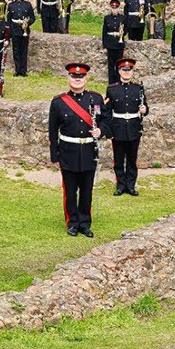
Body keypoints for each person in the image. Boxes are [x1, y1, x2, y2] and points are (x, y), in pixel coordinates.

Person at [48, 62, 108, 237]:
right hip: (68, 152)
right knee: (70, 190)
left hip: (89, 151)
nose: (77, 80)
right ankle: (72, 222)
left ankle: (85, 223)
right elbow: (52, 132)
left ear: (86, 79)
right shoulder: (59, 102)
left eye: (80, 77)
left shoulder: (96, 99)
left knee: (87, 190)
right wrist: (55, 157)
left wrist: (101, 130)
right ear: (68, 78)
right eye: (74, 77)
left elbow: (105, 121)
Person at [103, 58, 149, 196]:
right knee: (118, 160)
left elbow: (146, 107)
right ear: (119, 71)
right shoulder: (112, 89)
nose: (127, 72)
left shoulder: (138, 88)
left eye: (129, 70)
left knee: (132, 159)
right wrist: (109, 130)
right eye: (124, 70)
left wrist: (144, 110)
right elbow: (107, 112)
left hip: (134, 128)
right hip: (118, 129)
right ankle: (120, 185)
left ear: (133, 72)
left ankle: (131, 186)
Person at [6, 0, 35, 76]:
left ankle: (23, 70)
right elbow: (9, 20)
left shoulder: (27, 4)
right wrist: (10, 32)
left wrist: (27, 23)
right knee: (16, 51)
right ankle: (17, 70)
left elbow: (33, 18)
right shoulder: (11, 5)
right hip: (15, 30)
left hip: (24, 30)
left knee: (24, 51)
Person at [101, 0, 127, 85]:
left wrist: (123, 33)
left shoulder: (123, 18)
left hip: (119, 44)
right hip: (110, 43)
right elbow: (104, 32)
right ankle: (111, 83)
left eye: (116, 8)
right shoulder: (107, 18)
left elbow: (126, 29)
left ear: (119, 8)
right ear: (111, 8)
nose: (114, 9)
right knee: (111, 65)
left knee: (119, 64)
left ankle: (119, 81)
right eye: (113, 8)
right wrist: (104, 45)